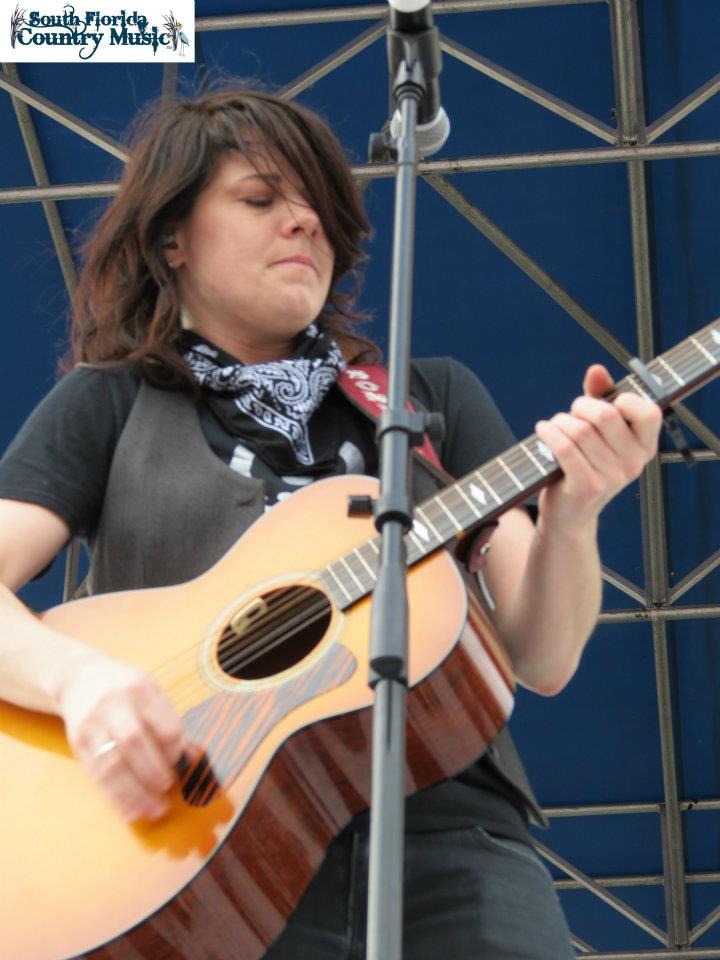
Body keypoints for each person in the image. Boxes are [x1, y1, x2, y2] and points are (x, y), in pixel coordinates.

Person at [0, 87, 662, 959]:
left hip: (453, 840)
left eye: (316, 204)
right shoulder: (110, 400)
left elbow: (543, 658)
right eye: (259, 199)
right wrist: (79, 681)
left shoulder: (430, 398)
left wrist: (575, 512)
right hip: (202, 836)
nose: (304, 221)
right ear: (172, 240)